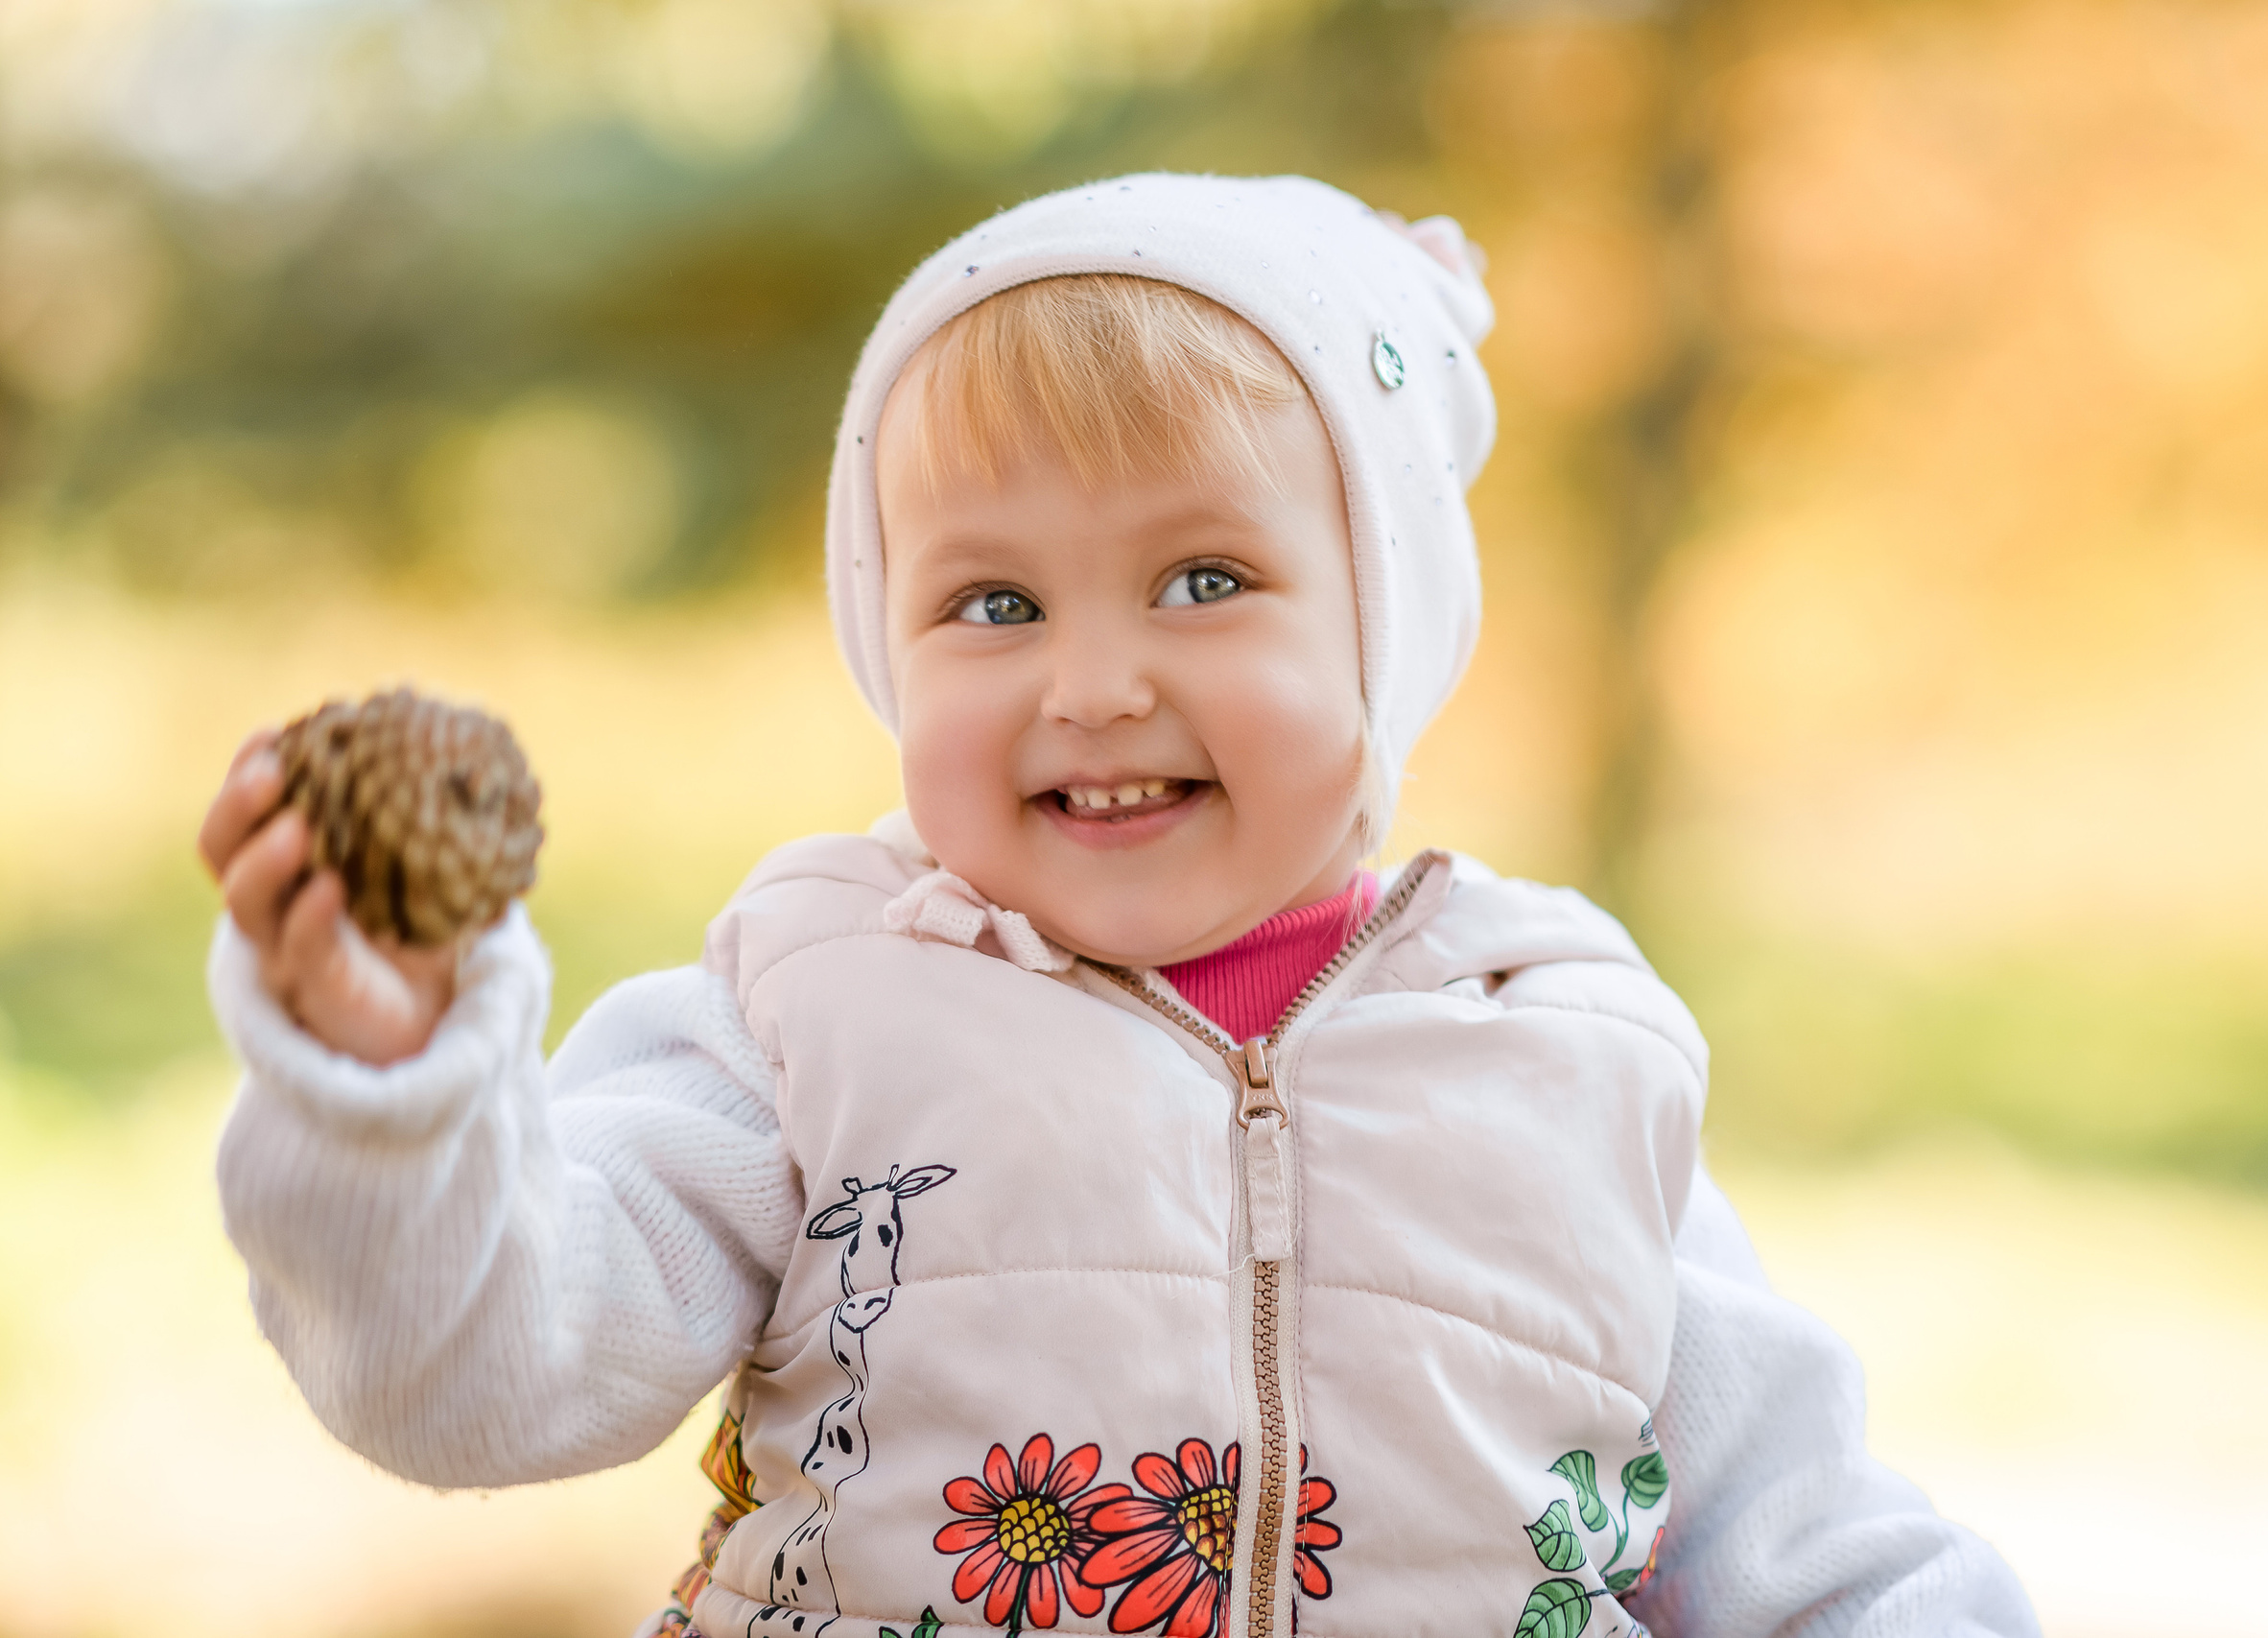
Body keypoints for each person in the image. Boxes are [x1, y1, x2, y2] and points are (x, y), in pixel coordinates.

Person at [200, 174, 2038, 1638]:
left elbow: (1810, 1549)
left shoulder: (1561, 1047)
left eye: (1203, 579)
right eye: (993, 605)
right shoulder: (806, 1010)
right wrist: (397, 1090)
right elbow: (483, 1368)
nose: (1089, 684)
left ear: (1383, 630)